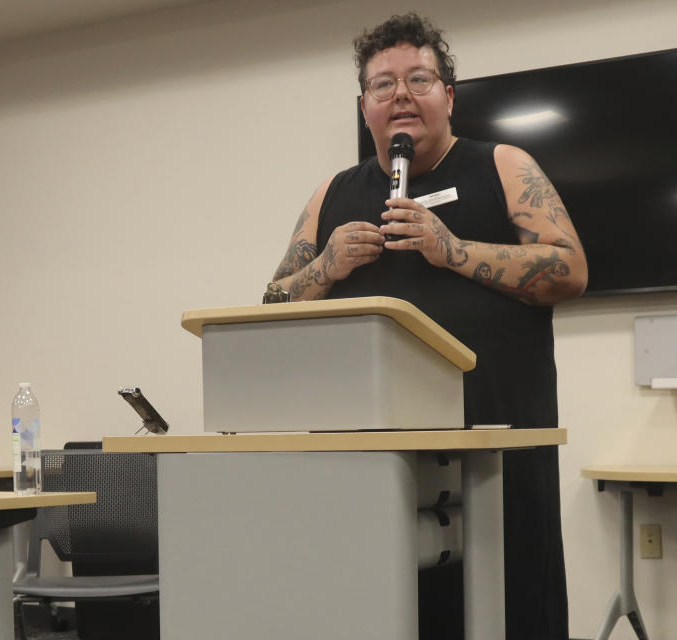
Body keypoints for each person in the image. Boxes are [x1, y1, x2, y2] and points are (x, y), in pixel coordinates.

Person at [270, 13, 587, 640]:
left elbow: (570, 268)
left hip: (497, 460)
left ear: (449, 96)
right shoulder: (330, 195)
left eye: (419, 78)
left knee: (509, 612)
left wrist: (453, 250)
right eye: (383, 84)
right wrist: (327, 267)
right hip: (376, 471)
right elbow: (273, 301)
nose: (402, 95)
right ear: (365, 106)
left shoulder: (502, 164)